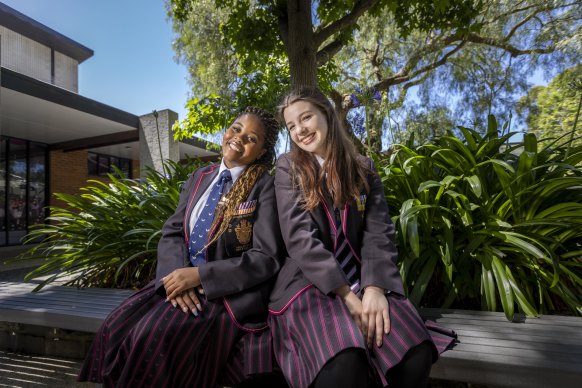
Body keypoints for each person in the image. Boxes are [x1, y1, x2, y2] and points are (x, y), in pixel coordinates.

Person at [78, 106, 284, 387]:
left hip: (222, 292)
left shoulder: (264, 187)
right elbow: (173, 231)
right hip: (178, 279)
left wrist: (200, 277)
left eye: (251, 138)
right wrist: (176, 275)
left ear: (261, 152)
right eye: (236, 128)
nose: (239, 138)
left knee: (152, 337)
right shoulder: (200, 177)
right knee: (115, 327)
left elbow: (266, 257)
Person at [268, 87, 455, 388]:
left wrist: (375, 289)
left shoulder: (364, 169)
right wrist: (347, 297)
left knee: (415, 355)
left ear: (327, 115)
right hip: (310, 283)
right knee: (343, 364)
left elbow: (378, 231)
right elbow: (299, 237)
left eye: (306, 118)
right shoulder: (287, 168)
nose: (300, 130)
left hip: (363, 276)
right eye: (291, 126)